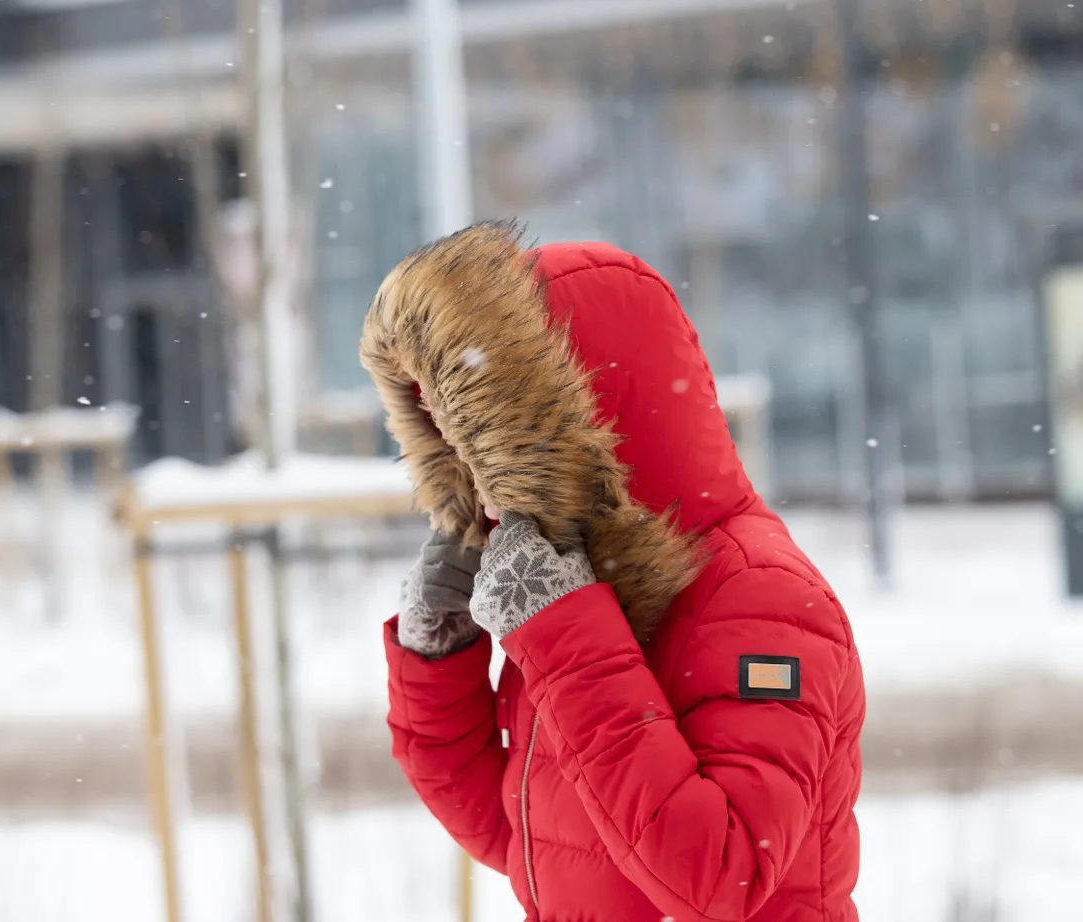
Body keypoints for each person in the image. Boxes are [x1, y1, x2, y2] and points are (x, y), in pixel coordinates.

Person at [360, 221, 865, 922]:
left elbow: (725, 879)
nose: (478, 478)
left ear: (584, 424)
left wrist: (567, 642)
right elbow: (526, 839)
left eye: (487, 441)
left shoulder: (763, 598)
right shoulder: (578, 589)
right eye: (457, 444)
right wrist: (438, 657)